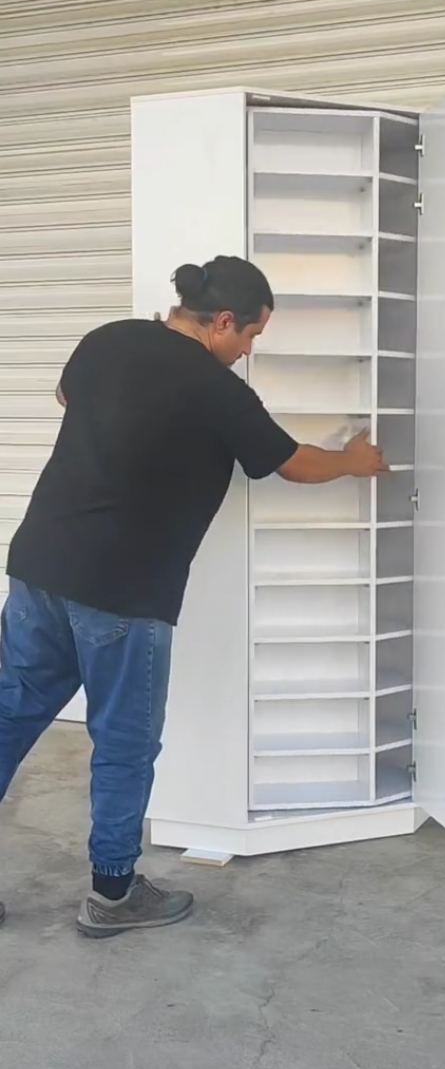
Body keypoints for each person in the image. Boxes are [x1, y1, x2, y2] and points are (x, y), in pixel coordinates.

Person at [0, 255, 388, 938]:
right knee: (123, 743)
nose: (249, 350)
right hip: (124, 589)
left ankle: (113, 887)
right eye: (252, 335)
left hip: (41, 564)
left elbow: (70, 398)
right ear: (223, 321)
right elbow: (290, 462)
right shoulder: (215, 388)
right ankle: (113, 896)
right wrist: (355, 461)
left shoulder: (107, 339)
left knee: (9, 713)